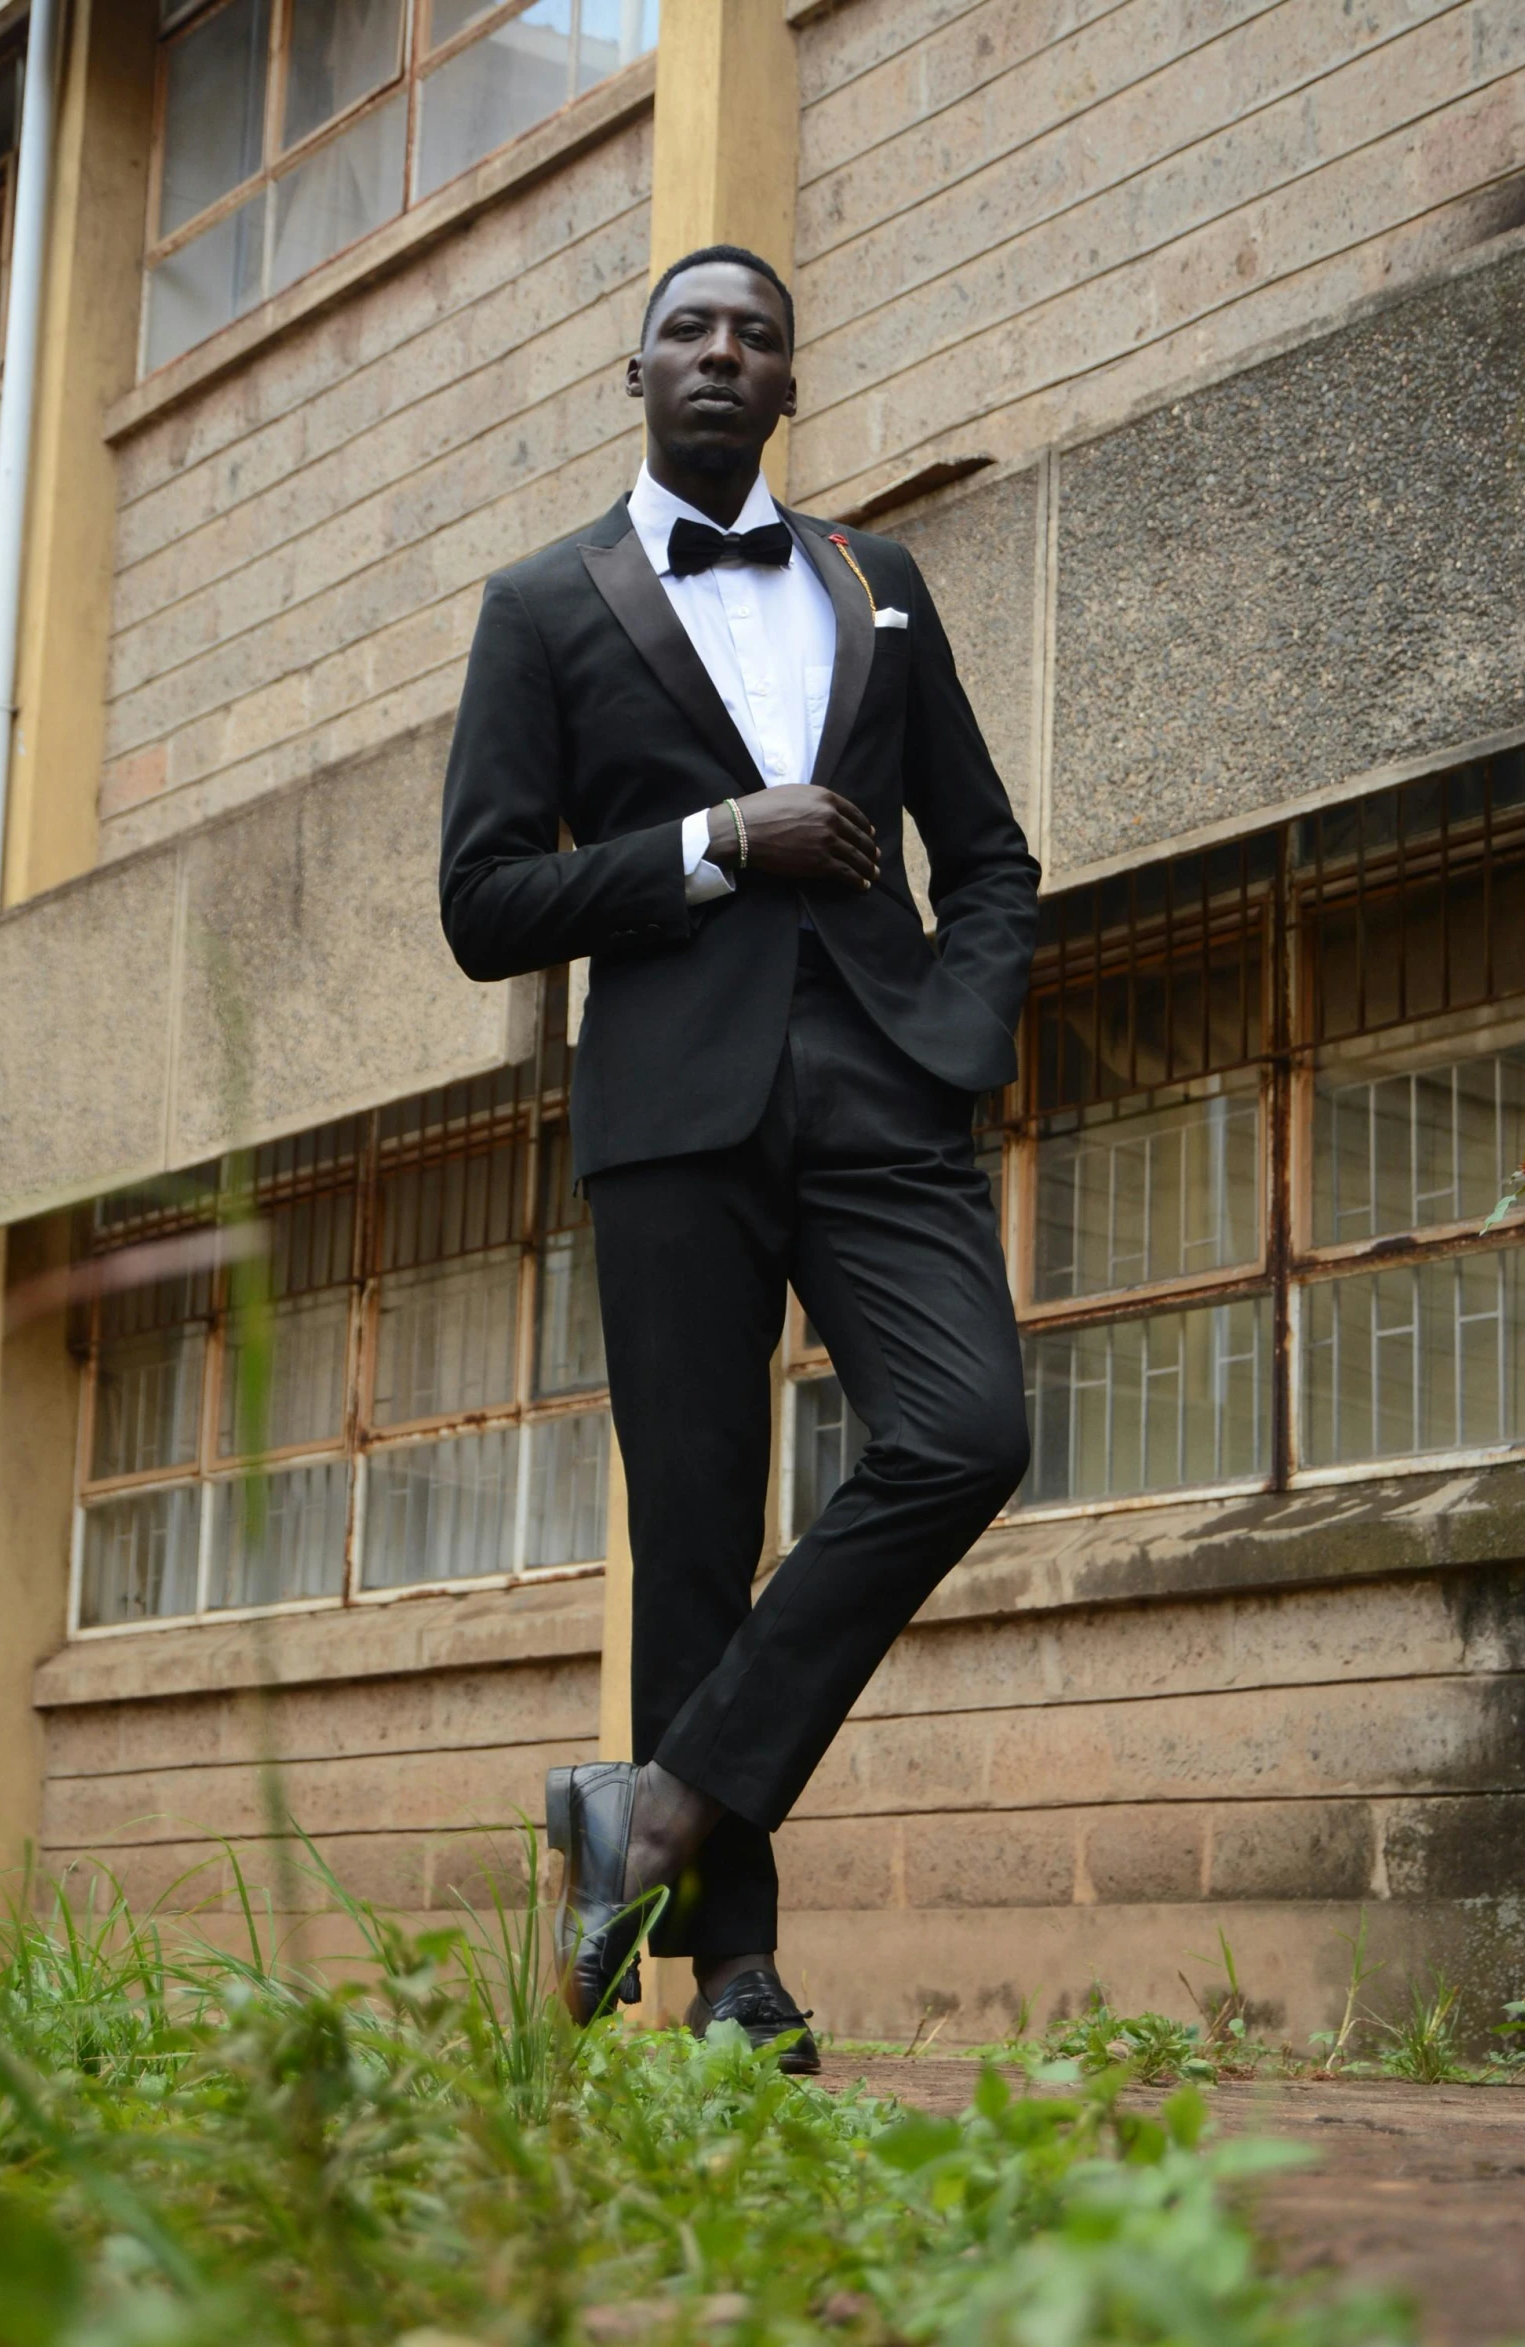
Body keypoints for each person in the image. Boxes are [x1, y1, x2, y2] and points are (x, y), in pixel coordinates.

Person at [440, 245, 1039, 2070]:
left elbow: (992, 858)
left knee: (967, 1431)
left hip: (883, 1094)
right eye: (689, 331)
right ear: (634, 375)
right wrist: (715, 835)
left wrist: (954, 1038)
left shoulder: (885, 581)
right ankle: (739, 1980)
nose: (723, 353)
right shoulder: (542, 605)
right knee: (699, 1532)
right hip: (670, 1115)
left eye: (756, 336)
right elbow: (484, 904)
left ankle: (654, 1807)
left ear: (791, 385)